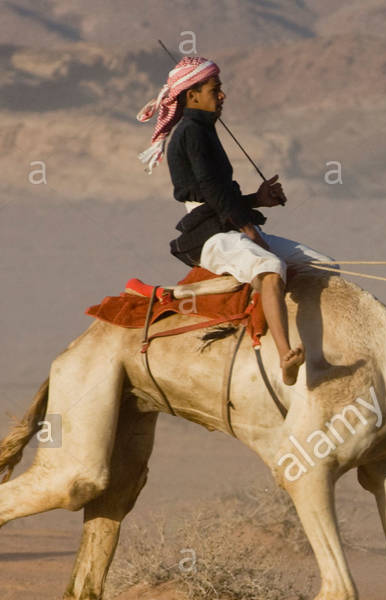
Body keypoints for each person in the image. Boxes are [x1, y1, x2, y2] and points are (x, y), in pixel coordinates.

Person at [136, 56, 332, 385]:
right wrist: (249, 229)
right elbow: (212, 193)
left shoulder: (204, 131)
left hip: (226, 224)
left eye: (221, 88)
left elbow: (218, 195)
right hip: (210, 236)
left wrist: (259, 200)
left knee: (323, 265)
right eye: (216, 89)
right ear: (192, 96)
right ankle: (285, 357)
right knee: (269, 268)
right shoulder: (191, 133)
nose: (222, 95)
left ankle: (319, 347)